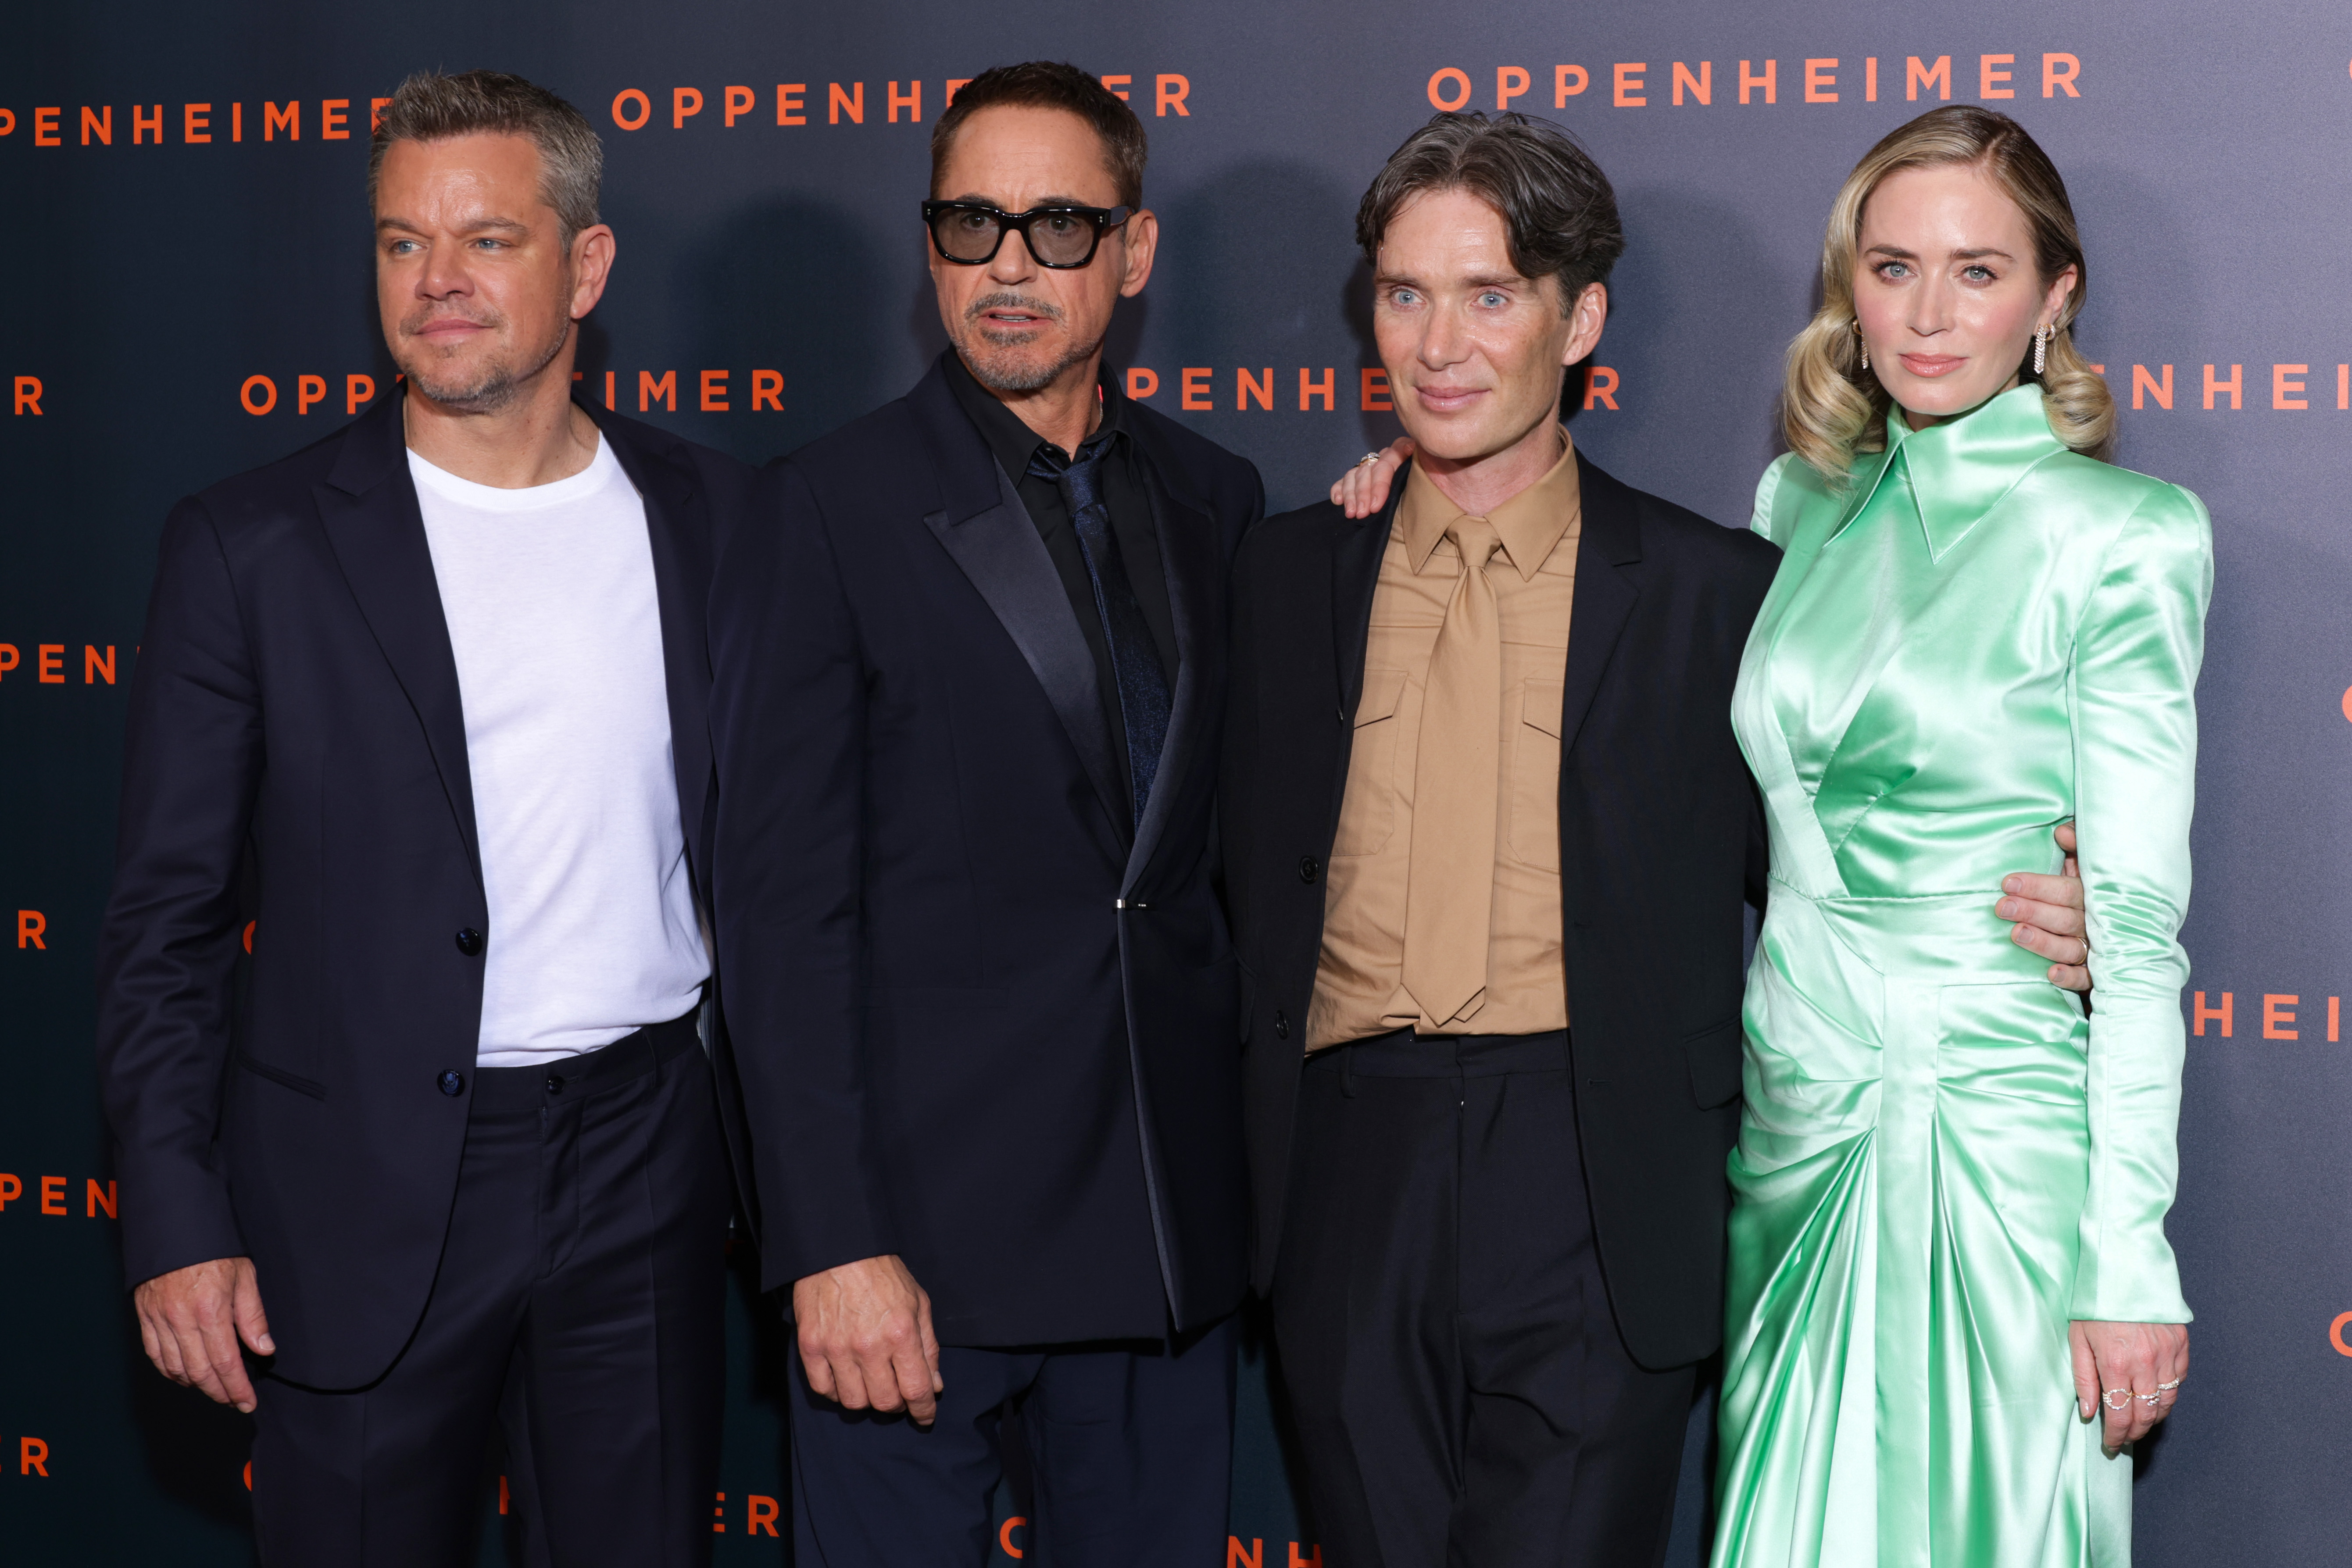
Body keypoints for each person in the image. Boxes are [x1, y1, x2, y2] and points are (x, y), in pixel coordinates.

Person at [1242, 111, 2098, 1566]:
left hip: (1602, 1177)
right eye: (1404, 295)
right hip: (1344, 1178)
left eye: (1490, 296)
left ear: (1578, 321)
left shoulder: (1720, 591)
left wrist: (2056, 908)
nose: (1439, 345)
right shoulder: (1280, 576)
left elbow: (1837, 859)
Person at [94, 70, 751, 1565]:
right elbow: (164, 925)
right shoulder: (251, 546)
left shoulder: (714, 516)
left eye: (487, 240)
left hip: (645, 1162)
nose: (436, 279)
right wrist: (177, 1214)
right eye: (403, 242)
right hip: (354, 1186)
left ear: (586, 266)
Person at [709, 61, 1262, 1567]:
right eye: (971, 224)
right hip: (915, 1260)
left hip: (1161, 1243)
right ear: (930, 247)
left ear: (1133, 253)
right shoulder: (822, 506)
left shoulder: (1218, 496)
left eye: (1058, 225)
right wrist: (830, 1242)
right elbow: (780, 916)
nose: (1008, 265)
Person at [1709, 106, 2204, 1568]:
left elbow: (2132, 934)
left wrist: (2128, 1256)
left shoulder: (2123, 535)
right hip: (1794, 1115)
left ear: (2054, 298)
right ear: (1848, 291)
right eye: (1892, 267)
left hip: (1996, 1130)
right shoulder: (1796, 506)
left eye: (1977, 271)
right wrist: (1405, 484)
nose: (1927, 314)